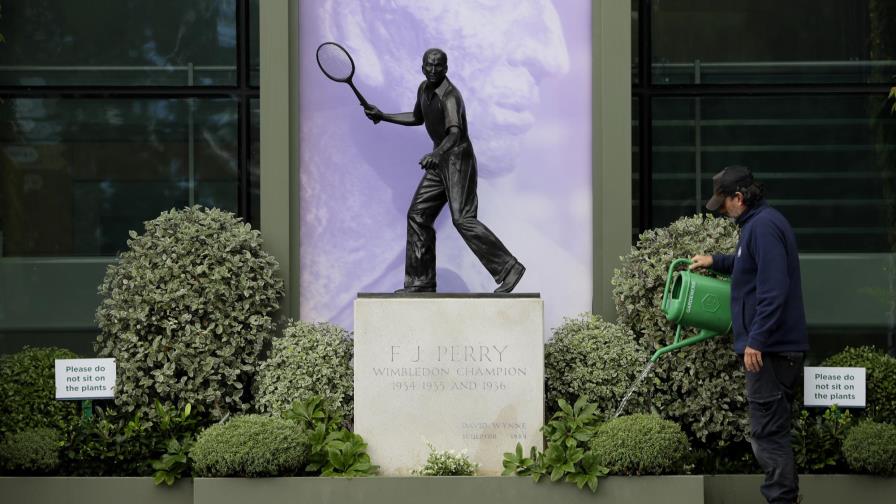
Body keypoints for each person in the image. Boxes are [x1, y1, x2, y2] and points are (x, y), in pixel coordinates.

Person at [689, 165, 809, 504]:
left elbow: (773, 290)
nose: (722, 210)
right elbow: (750, 266)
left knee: (768, 436)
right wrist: (716, 260)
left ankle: (782, 500)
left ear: (739, 198)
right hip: (775, 348)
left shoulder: (764, 228)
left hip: (770, 350)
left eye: (723, 203)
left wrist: (757, 340)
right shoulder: (757, 226)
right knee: (772, 433)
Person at [363, 48, 526, 293]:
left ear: (446, 68)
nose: (432, 70)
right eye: (428, 65)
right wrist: (383, 115)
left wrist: (436, 154)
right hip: (440, 162)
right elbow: (417, 117)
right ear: (422, 67)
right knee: (418, 214)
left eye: (438, 66)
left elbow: (455, 133)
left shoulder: (450, 96)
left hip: (458, 160)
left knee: (463, 219)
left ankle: (509, 268)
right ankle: (420, 281)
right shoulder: (424, 88)